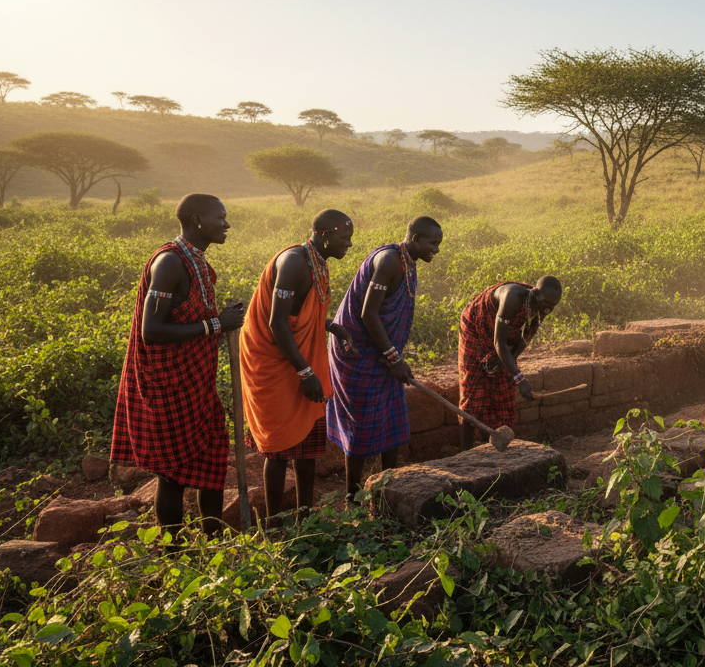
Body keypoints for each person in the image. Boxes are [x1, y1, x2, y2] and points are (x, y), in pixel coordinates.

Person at [110, 193, 247, 537]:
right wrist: (218, 324)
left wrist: (221, 319)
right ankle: (172, 551)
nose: (227, 224)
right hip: (167, 386)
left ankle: (212, 542)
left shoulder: (196, 261)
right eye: (221, 217)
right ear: (198, 220)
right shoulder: (170, 263)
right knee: (172, 474)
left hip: (197, 385)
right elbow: (152, 330)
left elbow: (190, 322)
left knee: (212, 463)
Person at [239, 210, 355, 521]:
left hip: (300, 356)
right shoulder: (293, 263)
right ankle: (275, 522)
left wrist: (329, 325)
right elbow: (278, 323)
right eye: (345, 238)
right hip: (274, 361)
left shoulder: (316, 262)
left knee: (308, 443)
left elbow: (300, 313)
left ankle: (307, 516)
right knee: (278, 449)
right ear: (326, 234)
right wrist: (306, 373)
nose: (349, 244)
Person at [327, 216, 444, 496]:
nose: (436, 250)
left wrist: (392, 357)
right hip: (358, 354)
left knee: (392, 419)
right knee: (361, 427)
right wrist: (393, 358)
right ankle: (353, 499)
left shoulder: (407, 262)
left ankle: (389, 490)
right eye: (433, 243)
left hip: (382, 352)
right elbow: (368, 313)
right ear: (415, 239)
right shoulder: (390, 261)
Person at [457, 276, 562, 449]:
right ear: (535, 294)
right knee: (472, 391)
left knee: (503, 385)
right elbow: (499, 343)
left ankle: (496, 446)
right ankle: (464, 451)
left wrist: (510, 366)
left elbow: (524, 339)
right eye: (547, 304)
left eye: (553, 306)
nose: (549, 309)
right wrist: (519, 378)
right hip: (475, 329)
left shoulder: (540, 305)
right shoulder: (513, 297)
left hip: (502, 338)